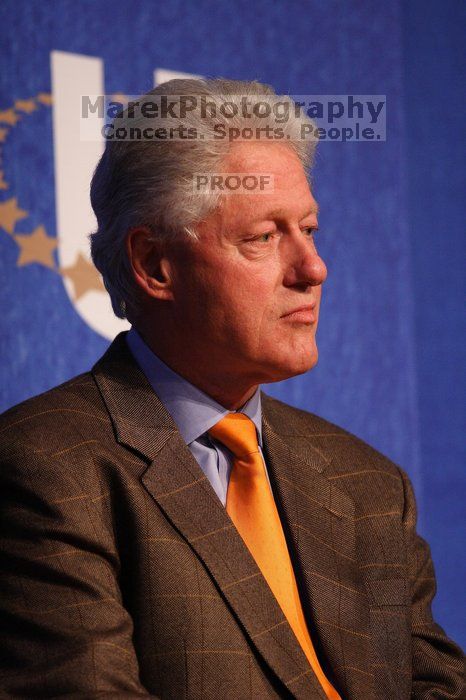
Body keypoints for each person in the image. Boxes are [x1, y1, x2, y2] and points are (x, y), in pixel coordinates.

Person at [0, 79, 463, 700]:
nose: (313, 269)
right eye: (264, 237)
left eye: (310, 228)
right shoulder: (45, 467)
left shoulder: (370, 485)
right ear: (155, 265)